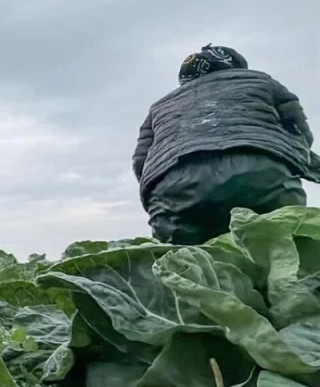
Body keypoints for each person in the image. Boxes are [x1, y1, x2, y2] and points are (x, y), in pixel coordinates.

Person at [132, 44, 318, 245]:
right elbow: (299, 133)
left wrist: (163, 196)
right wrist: (296, 164)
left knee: (183, 263)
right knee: (286, 247)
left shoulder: (159, 107)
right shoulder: (262, 82)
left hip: (173, 191)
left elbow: (140, 162)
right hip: (259, 175)